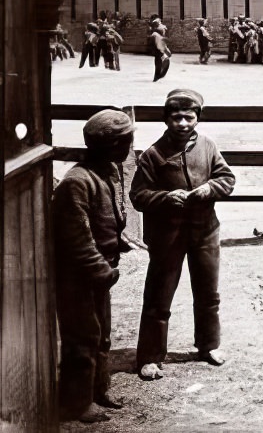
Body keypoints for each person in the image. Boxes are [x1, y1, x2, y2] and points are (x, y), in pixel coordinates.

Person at [131, 90, 235, 381]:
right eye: (176, 117)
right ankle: (150, 357)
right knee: (158, 297)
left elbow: (227, 179)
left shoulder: (208, 147)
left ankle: (208, 345)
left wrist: (208, 189)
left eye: (189, 117)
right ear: (166, 119)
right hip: (168, 237)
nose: (183, 123)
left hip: (205, 232)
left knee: (208, 294)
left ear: (197, 118)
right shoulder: (153, 155)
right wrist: (165, 198)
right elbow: (138, 195)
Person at [52, 109, 135, 421]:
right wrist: (103, 271)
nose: (130, 145)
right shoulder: (77, 181)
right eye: (128, 140)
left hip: (99, 275)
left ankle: (99, 389)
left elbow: (106, 218)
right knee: (82, 339)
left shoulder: (106, 171)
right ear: (114, 146)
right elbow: (77, 238)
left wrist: (118, 241)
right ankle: (76, 404)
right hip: (79, 277)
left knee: (101, 336)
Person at [148, 19, 172, 83]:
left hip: (157, 51)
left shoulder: (154, 34)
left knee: (158, 63)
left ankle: (157, 76)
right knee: (160, 63)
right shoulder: (157, 36)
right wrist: (166, 51)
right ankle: (158, 76)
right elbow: (161, 46)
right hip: (159, 51)